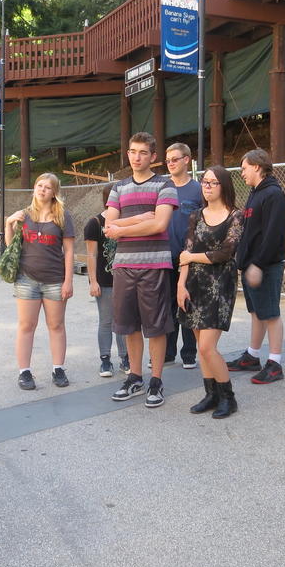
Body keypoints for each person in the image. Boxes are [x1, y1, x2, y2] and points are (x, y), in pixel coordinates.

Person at [104, 132, 178, 407]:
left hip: (154, 265)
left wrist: (122, 226)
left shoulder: (165, 185)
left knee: (155, 327)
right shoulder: (119, 187)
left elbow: (159, 225)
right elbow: (108, 227)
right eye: (133, 152)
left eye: (143, 152)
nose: (137, 157)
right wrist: (140, 218)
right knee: (129, 326)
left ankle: (156, 381)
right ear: (128, 154)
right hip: (124, 265)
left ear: (153, 156)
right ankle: (135, 378)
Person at [176, 166, 245, 418]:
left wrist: (191, 257)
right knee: (199, 344)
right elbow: (187, 250)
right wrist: (180, 285)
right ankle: (211, 394)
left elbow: (225, 253)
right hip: (194, 284)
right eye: (204, 181)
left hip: (220, 285)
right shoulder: (196, 215)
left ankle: (228, 397)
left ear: (223, 186)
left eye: (213, 182)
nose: (207, 186)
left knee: (207, 347)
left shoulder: (236, 216)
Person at [5, 172, 75, 391]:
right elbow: (11, 247)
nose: (42, 190)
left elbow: (69, 250)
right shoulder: (24, 215)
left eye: (48, 187)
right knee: (26, 325)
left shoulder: (63, 215)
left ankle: (58, 368)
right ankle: (24, 372)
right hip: (26, 278)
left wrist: (68, 281)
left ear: (54, 192)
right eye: (39, 185)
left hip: (55, 279)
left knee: (56, 325)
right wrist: (8, 223)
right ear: (34, 188)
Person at [226, 149, 285, 384]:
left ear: (256, 166)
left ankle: (275, 363)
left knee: (271, 314)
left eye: (244, 168)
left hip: (266, 266)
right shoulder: (256, 193)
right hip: (252, 265)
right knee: (257, 313)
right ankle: (252, 356)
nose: (242, 173)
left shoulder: (273, 194)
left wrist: (258, 264)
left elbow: (274, 234)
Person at [164, 142, 203, 369]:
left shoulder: (198, 189)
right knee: (167, 305)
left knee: (187, 303)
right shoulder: (162, 187)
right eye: (168, 160)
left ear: (186, 160)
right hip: (165, 256)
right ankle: (167, 353)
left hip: (189, 257)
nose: (170, 164)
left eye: (175, 159)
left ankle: (189, 354)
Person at [84, 182, 129, 377]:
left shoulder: (127, 221)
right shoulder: (94, 223)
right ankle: (105, 360)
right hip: (104, 280)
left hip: (126, 279)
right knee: (106, 321)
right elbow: (91, 255)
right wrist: (93, 281)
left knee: (124, 320)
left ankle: (126, 358)